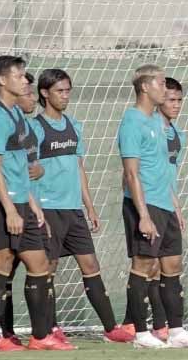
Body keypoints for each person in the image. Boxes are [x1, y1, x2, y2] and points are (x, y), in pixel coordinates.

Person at [30, 68, 134, 343]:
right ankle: (50, 329)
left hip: (73, 208)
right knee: (47, 268)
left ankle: (111, 328)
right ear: (44, 93)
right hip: (48, 207)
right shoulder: (35, 128)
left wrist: (89, 206)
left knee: (90, 263)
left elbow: (79, 167)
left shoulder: (74, 125)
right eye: (59, 91)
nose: (65, 96)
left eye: (67, 90)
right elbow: (27, 166)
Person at [0, 55, 72, 351]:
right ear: (2, 81)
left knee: (39, 263)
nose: (24, 80)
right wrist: (8, 209)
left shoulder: (16, 114)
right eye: (19, 76)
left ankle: (40, 335)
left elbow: (19, 165)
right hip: (3, 203)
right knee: (1, 264)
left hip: (22, 202)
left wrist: (31, 204)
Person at [119, 64, 188, 349]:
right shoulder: (132, 122)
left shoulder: (159, 123)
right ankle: (141, 333)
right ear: (145, 87)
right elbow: (131, 173)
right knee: (143, 266)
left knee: (172, 266)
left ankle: (177, 330)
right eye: (159, 83)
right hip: (144, 206)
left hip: (165, 205)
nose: (164, 88)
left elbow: (162, 170)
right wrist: (143, 215)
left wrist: (175, 207)